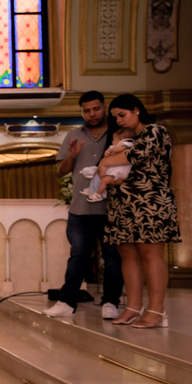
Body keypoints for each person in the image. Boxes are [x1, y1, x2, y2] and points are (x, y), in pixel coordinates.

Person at [105, 94, 181, 329]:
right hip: (123, 203)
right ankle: (133, 307)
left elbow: (135, 156)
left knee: (150, 254)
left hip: (149, 202)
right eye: (115, 117)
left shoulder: (155, 131)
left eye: (122, 115)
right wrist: (109, 165)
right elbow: (108, 167)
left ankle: (157, 310)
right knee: (126, 254)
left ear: (136, 110)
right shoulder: (125, 138)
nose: (118, 120)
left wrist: (107, 162)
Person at [49, 91, 125, 319]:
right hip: (80, 209)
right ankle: (66, 302)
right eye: (86, 110)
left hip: (112, 208)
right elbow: (60, 171)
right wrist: (71, 156)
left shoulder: (119, 133)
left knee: (113, 257)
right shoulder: (73, 135)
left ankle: (111, 301)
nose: (91, 114)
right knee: (78, 255)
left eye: (96, 109)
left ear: (104, 107)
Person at [79, 127, 134, 202]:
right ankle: (93, 189)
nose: (112, 141)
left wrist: (110, 150)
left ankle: (98, 194)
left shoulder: (127, 143)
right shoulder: (118, 146)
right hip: (113, 168)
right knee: (97, 173)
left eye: (114, 139)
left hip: (119, 172)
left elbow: (121, 149)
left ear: (121, 139)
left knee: (104, 180)